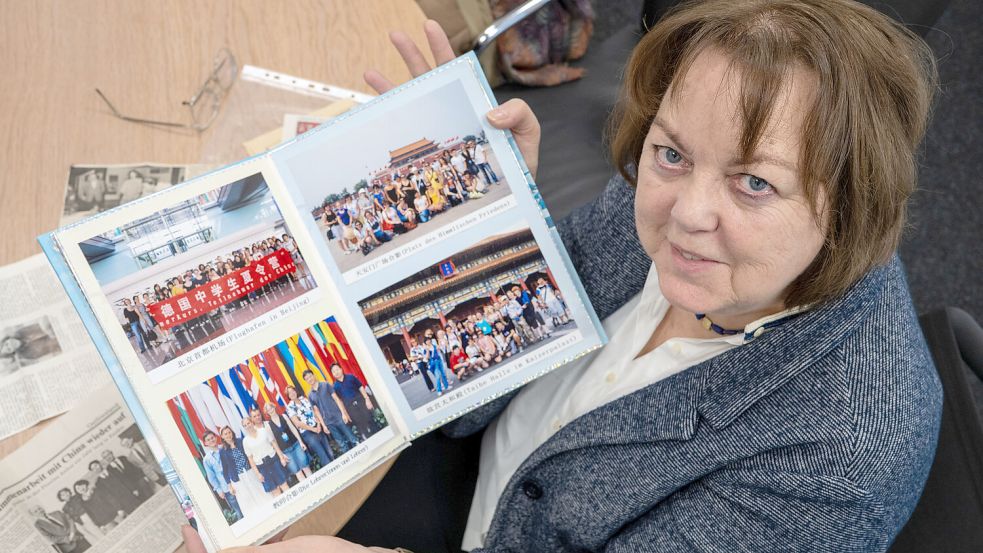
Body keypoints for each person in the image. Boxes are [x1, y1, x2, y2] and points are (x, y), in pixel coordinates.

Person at [186, 3, 943, 552]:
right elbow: (530, 316)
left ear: (847, 206)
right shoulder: (680, 179)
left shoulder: (841, 456)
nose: (682, 215)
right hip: (470, 444)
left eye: (753, 184)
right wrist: (492, 218)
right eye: (670, 153)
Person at [304, 370, 359, 453]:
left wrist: (344, 413)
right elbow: (317, 411)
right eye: (307, 378)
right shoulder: (310, 395)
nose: (309, 379)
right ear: (306, 381)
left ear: (314, 375)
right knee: (342, 445)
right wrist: (324, 425)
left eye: (310, 376)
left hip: (339, 417)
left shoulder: (325, 385)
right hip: (328, 423)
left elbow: (337, 399)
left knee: (352, 438)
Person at [218, 425, 266, 517]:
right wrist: (229, 485)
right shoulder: (222, 451)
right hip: (238, 478)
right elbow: (225, 470)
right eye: (225, 434)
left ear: (232, 433)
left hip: (250, 472)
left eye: (229, 432)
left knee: (259, 491)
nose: (228, 435)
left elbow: (250, 456)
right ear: (222, 437)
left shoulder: (241, 441)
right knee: (246, 499)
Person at [285, 385, 335, 468]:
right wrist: (313, 429)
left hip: (317, 427)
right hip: (307, 432)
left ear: (295, 391)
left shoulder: (304, 399)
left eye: (292, 391)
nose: (292, 393)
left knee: (329, 451)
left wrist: (318, 425)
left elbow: (314, 411)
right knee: (322, 454)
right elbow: (297, 423)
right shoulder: (290, 407)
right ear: (288, 396)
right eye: (289, 393)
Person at [242, 411, 289, 497]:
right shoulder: (245, 441)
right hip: (262, 466)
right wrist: (258, 474)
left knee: (284, 484)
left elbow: (274, 444)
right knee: (274, 490)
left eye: (248, 423)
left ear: (252, 422)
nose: (247, 426)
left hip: (273, 460)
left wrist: (281, 457)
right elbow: (250, 459)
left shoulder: (263, 431)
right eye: (245, 425)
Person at [263, 401, 312, 482]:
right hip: (285, 451)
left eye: (271, 408)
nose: (270, 410)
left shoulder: (284, 416)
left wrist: (301, 442)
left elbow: (293, 429)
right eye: (268, 410)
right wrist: (281, 455)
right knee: (297, 471)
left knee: (305, 466)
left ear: (274, 407)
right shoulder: (268, 426)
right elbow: (273, 442)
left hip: (296, 445)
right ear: (267, 413)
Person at [200, 430, 243, 521]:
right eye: (208, 440)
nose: (211, 440)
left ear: (216, 437)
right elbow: (211, 477)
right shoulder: (207, 459)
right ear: (205, 443)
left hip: (237, 480)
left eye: (212, 438)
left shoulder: (225, 448)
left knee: (246, 504)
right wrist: (219, 490)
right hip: (226, 487)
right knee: (239, 511)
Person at [329, 364, 377, 439]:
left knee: (370, 420)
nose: (336, 372)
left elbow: (361, 387)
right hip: (350, 408)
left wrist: (367, 399)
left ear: (341, 369)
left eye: (337, 369)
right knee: (361, 426)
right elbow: (340, 401)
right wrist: (345, 413)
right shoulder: (335, 386)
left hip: (361, 402)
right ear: (332, 374)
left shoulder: (351, 377)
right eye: (334, 371)